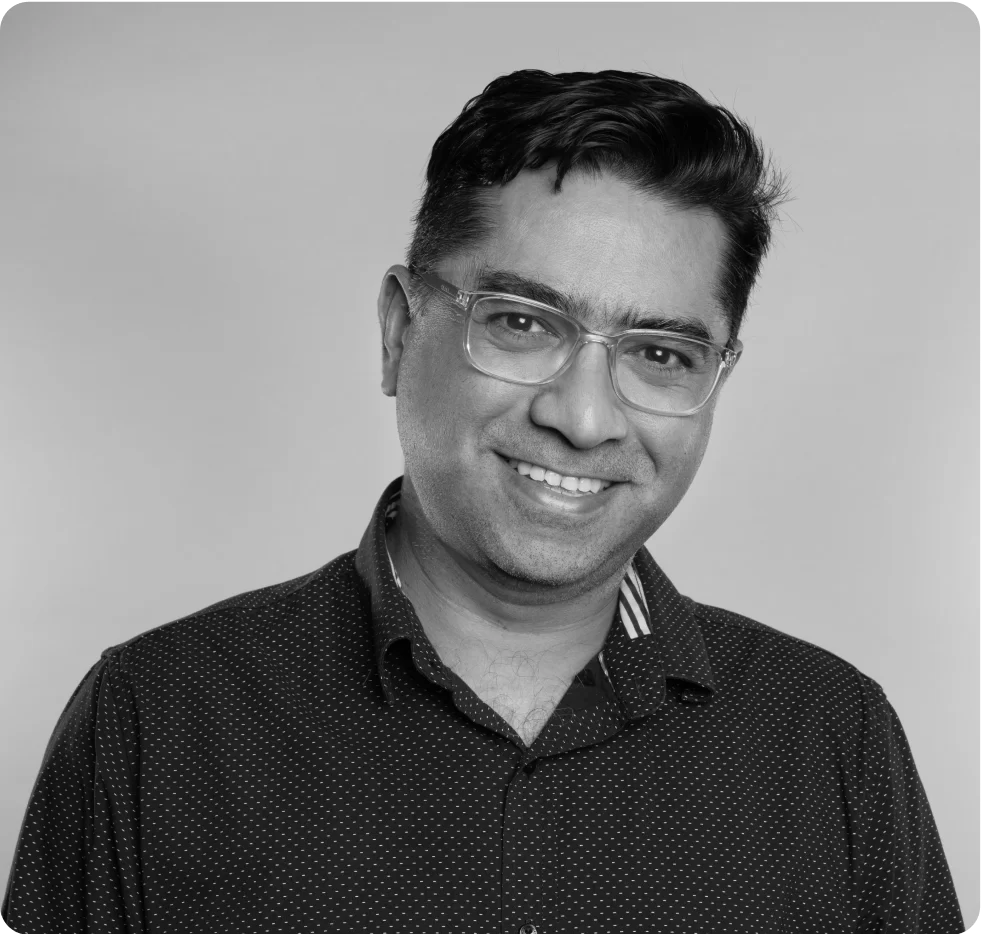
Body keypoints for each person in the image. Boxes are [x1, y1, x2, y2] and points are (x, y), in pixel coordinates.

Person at [1, 69, 963, 934]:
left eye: (660, 354)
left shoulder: (826, 735)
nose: (584, 419)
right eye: (520, 323)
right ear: (396, 331)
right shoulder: (159, 716)